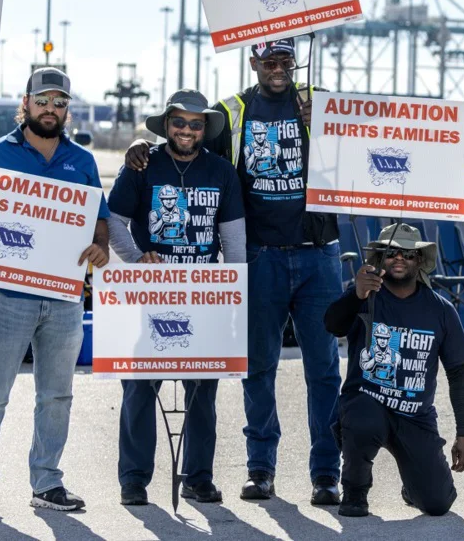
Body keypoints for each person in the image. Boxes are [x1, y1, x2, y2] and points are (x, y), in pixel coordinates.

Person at [125, 37, 344, 505]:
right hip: (261, 256)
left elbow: (363, 163)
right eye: (270, 60)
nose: (278, 68)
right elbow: (186, 143)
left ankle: (327, 474)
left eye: (286, 60)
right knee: (257, 368)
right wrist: (140, 145)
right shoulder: (232, 111)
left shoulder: (323, 104)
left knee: (324, 370)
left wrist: (325, 131)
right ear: (254, 63)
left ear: (295, 62)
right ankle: (260, 470)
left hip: (318, 254)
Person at [0, 68, 110, 517]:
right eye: (43, 101)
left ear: (66, 108)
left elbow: (98, 217)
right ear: (26, 102)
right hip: (6, 295)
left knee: (56, 395)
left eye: (59, 102)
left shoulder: (83, 160)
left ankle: (46, 483)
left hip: (64, 296)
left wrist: (101, 245)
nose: (50, 109)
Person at [108, 90, 246, 506]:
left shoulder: (221, 171)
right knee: (138, 387)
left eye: (195, 124)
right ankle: (134, 480)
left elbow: (234, 240)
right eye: (179, 122)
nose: (186, 130)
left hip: (204, 295)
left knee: (202, 390)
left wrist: (232, 296)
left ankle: (198, 477)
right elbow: (114, 221)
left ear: (205, 129)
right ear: (166, 124)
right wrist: (136, 258)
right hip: (150, 293)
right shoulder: (141, 165)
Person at [324, 224, 464, 517]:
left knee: (437, 504)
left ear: (419, 260)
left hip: (415, 416)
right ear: (380, 258)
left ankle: (412, 486)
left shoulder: (441, 309)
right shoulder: (365, 295)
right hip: (368, 405)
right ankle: (355, 490)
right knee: (363, 415)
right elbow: (332, 325)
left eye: (408, 253)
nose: (399, 258)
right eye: (391, 252)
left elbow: (458, 373)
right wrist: (355, 294)